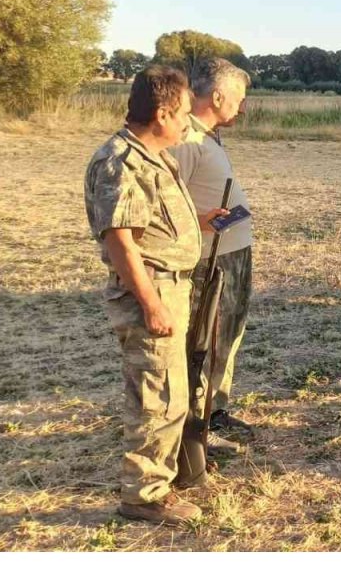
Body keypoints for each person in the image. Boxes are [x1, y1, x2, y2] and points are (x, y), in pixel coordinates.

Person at [83, 66, 228, 525]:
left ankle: (159, 478)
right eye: (184, 112)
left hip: (171, 286)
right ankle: (144, 494)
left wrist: (199, 223)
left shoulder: (153, 154)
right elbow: (121, 242)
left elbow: (150, 223)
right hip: (152, 289)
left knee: (170, 392)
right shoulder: (121, 161)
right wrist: (151, 304)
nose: (189, 120)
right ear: (163, 112)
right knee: (156, 396)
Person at [170, 58, 254, 451]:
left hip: (232, 251)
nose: (242, 106)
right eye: (238, 97)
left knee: (227, 335)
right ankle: (198, 420)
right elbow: (168, 198)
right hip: (210, 258)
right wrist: (200, 220)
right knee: (207, 337)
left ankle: (215, 407)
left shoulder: (209, 134)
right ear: (218, 95)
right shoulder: (186, 138)